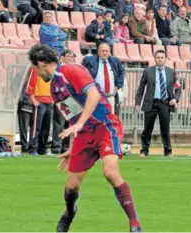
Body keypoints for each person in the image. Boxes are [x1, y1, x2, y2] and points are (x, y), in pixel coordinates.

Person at [27, 44, 142, 232]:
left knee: (110, 172)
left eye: (35, 70)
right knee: (71, 187)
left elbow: (94, 95)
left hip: (105, 126)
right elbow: (73, 119)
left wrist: (80, 123)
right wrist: (73, 147)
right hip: (83, 134)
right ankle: (69, 213)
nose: (37, 74)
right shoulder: (54, 89)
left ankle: (134, 224)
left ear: (40, 64)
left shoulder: (71, 70)